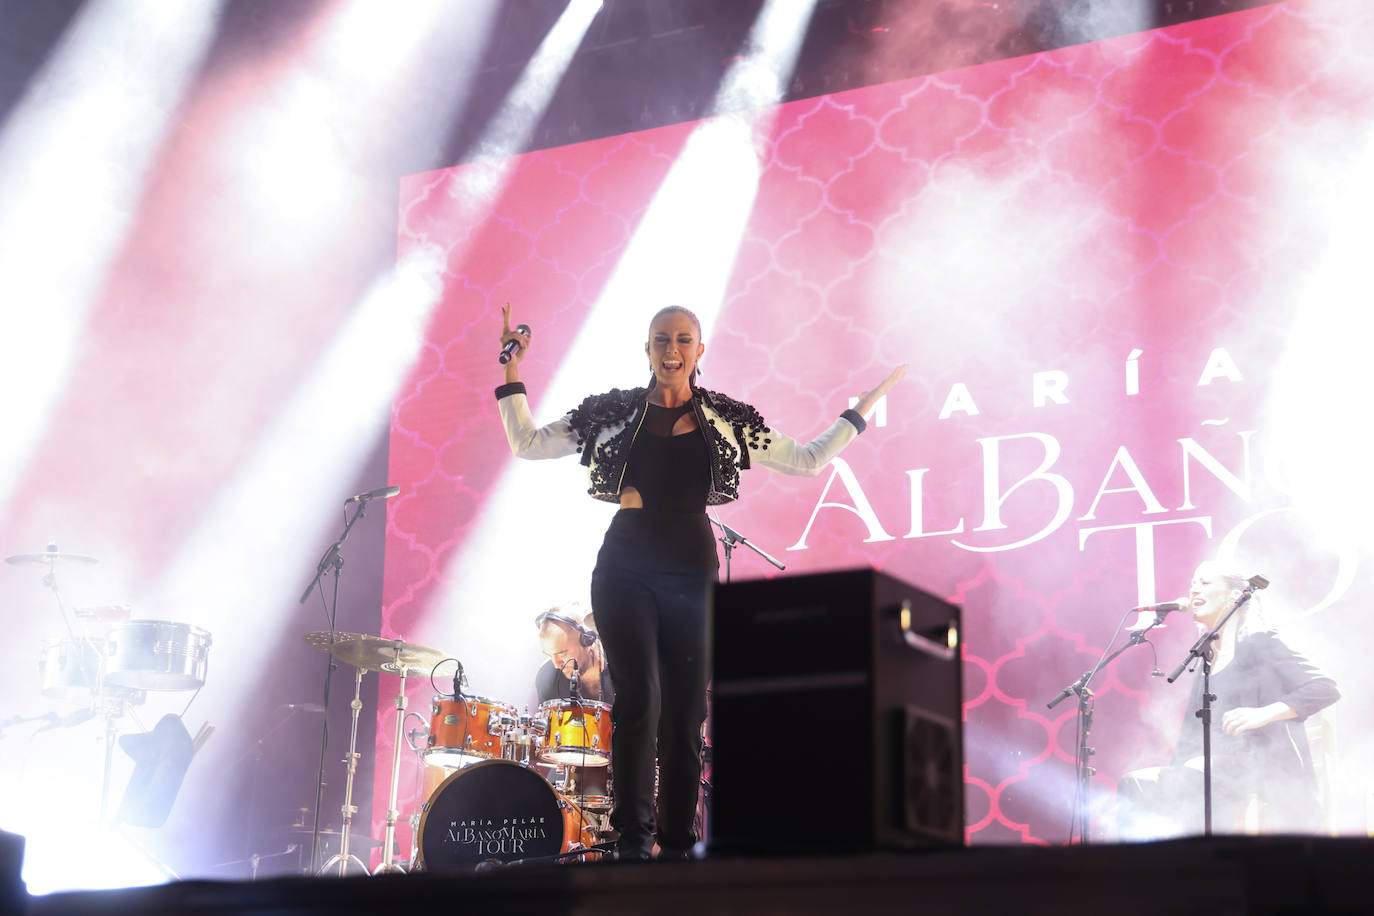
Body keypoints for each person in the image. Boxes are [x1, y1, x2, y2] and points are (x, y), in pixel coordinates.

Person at [495, 303, 904, 860]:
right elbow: (527, 443)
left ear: (699, 351)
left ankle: (678, 845)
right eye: (661, 338)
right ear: (646, 349)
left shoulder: (726, 418)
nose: (672, 349)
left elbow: (807, 460)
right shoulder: (610, 412)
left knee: (687, 712)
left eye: (684, 339)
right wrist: (511, 373)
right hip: (625, 567)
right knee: (640, 700)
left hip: (692, 570)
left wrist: (857, 413)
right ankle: (634, 844)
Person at [1117, 560, 1340, 838]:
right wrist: (1184, 765)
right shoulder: (1204, 657)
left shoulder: (1261, 641)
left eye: (1205, 583)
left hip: (1265, 766)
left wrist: (1265, 713)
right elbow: (1193, 730)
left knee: (1194, 787)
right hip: (1217, 771)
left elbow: (1325, 687)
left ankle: (1209, 865)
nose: (1194, 589)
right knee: (1137, 785)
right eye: (1192, 583)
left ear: (1234, 595)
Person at [533, 605, 614, 705]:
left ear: (587, 640)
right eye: (549, 655)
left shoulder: (620, 664)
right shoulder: (545, 677)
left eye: (562, 653)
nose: (556, 664)